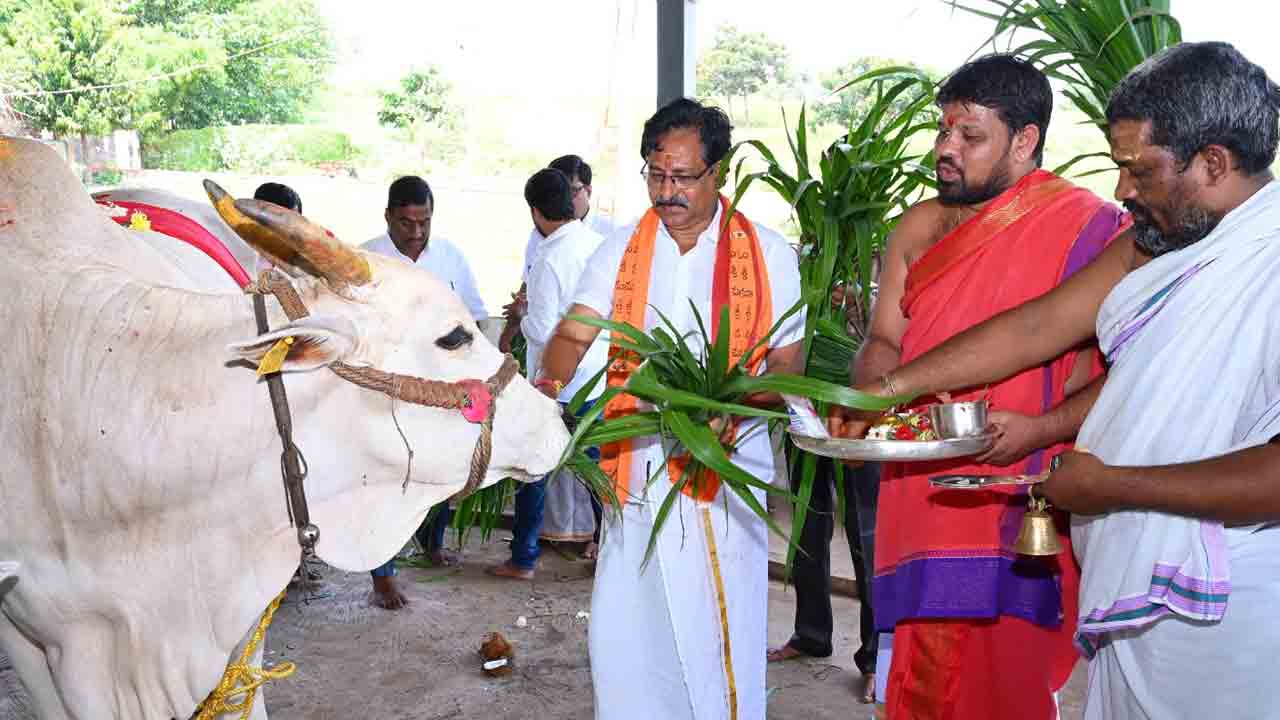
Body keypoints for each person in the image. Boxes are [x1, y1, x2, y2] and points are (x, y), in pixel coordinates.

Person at [831, 42, 1280, 719]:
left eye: (1138, 169)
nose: (1124, 189)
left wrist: (1109, 487)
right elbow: (1036, 328)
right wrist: (884, 393)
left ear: (1212, 163)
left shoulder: (1263, 266)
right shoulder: (1153, 243)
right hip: (1129, 590)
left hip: (1230, 610)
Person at [828, 55, 1132, 719]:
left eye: (969, 136)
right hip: (922, 478)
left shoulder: (1091, 230)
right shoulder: (917, 225)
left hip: (1021, 486)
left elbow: (1115, 376)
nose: (945, 149)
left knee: (1008, 668)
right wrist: (865, 394)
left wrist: (1043, 430)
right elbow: (884, 338)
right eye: (943, 131)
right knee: (926, 658)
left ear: (1024, 141)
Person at [536, 98, 805, 720]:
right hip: (637, 476)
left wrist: (724, 406)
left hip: (725, 478)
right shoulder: (622, 249)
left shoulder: (768, 254)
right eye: (656, 174)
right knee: (631, 626)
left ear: (720, 173)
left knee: (716, 627)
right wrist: (545, 390)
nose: (667, 191)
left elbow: (788, 377)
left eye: (683, 177)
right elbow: (575, 335)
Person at [361, 175, 488, 609]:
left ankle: (431, 544)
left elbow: (474, 318)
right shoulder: (366, 259)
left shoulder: (450, 257)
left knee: (443, 472)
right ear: (388, 218)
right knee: (384, 480)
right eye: (406, 223)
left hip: (440, 394)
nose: (416, 233)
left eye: (424, 222)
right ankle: (383, 574)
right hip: (384, 393)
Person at [486, 168, 608, 580]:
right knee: (598, 474)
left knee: (533, 469)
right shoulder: (599, 246)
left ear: (536, 212)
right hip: (599, 378)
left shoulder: (548, 258)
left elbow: (541, 329)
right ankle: (610, 554)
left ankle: (524, 557)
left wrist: (519, 316)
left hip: (557, 383)